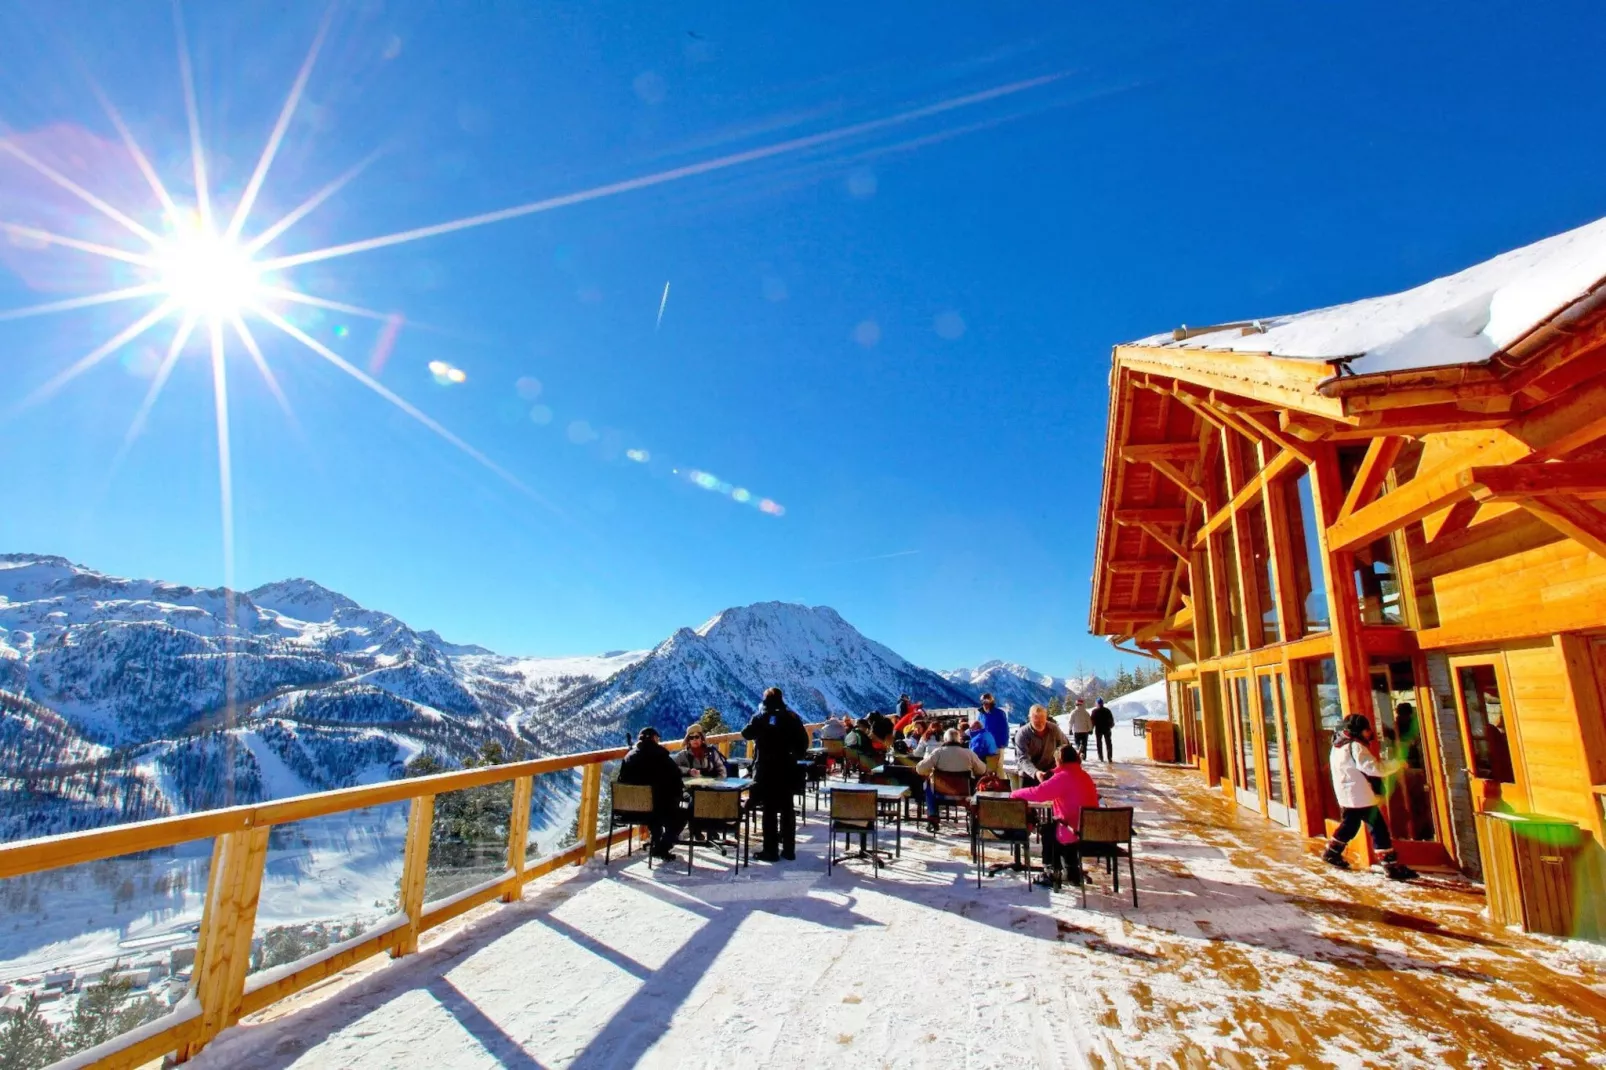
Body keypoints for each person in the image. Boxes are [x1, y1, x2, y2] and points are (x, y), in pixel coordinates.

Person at [1323, 714, 1418, 881]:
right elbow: (1373, 768)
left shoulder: (1338, 746)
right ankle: (1390, 866)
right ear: (1359, 731)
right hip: (1360, 795)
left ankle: (1332, 852)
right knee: (1378, 828)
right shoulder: (1355, 747)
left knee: (1350, 825)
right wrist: (1397, 763)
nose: (1370, 733)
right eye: (1367, 730)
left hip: (1348, 794)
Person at [1012, 744, 1100, 886]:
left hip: (1073, 830)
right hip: (1090, 830)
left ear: (1059, 760)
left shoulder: (1063, 777)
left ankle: (1050, 870)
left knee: (1048, 830)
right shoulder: (1084, 776)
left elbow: (1039, 793)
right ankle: (1071, 868)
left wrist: (1015, 793)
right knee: (1060, 826)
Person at [743, 687, 810, 862]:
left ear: (765, 700)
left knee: (769, 811)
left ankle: (770, 851)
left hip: (766, 771)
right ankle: (789, 850)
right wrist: (794, 757)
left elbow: (746, 733)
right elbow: (804, 742)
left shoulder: (760, 717)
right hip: (787, 770)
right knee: (787, 810)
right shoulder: (792, 718)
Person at [617, 726, 686, 860]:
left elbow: (621, 780)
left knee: (657, 810)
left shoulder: (629, 757)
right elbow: (676, 779)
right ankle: (662, 846)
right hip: (655, 810)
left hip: (628, 810)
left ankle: (656, 841)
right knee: (682, 814)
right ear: (655, 739)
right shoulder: (662, 756)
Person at [916, 728, 987, 831]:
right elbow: (982, 770)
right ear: (959, 739)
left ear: (945, 740)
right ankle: (974, 816)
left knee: (928, 785)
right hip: (964, 795)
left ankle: (933, 815)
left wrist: (930, 771)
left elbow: (920, 769)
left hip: (940, 794)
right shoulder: (968, 753)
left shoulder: (938, 753)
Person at [1014, 704, 1071, 787]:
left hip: (1051, 771)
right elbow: (1023, 759)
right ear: (1030, 718)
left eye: (1042, 720)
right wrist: (1036, 773)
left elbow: (1065, 747)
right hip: (1029, 773)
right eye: (1036, 721)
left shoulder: (1054, 729)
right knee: (1029, 798)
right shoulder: (1022, 734)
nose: (1040, 724)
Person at [1090, 698, 1115, 763]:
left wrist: (1091, 729)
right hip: (1107, 729)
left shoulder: (1094, 711)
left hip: (1098, 729)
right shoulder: (1107, 710)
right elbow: (1111, 720)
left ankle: (1100, 757)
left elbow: (1092, 722)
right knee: (1108, 743)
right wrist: (1110, 726)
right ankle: (1109, 757)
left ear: (1097, 704)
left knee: (1099, 743)